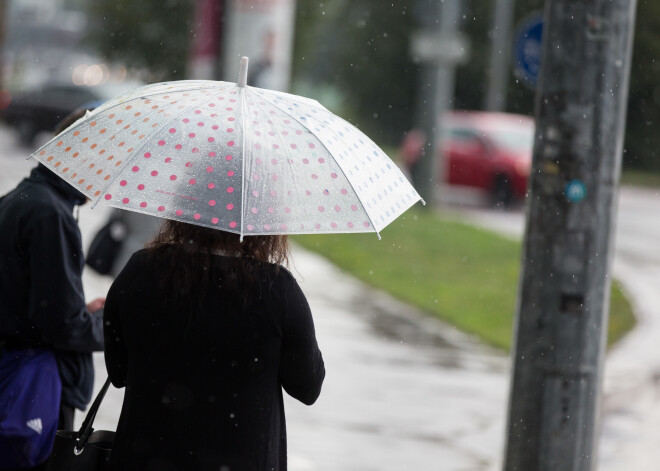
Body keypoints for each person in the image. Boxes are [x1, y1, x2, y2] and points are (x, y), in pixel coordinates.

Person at [104, 220, 325, 471]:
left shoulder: (141, 270)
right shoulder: (277, 289)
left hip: (146, 454)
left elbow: (118, 372)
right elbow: (307, 388)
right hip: (243, 458)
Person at [0, 109, 106, 470]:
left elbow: (29, 298)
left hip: (17, 373)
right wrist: (108, 324)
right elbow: (59, 323)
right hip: (37, 387)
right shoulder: (51, 215)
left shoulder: (23, 198)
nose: (105, 175)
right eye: (104, 160)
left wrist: (80, 311)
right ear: (81, 157)